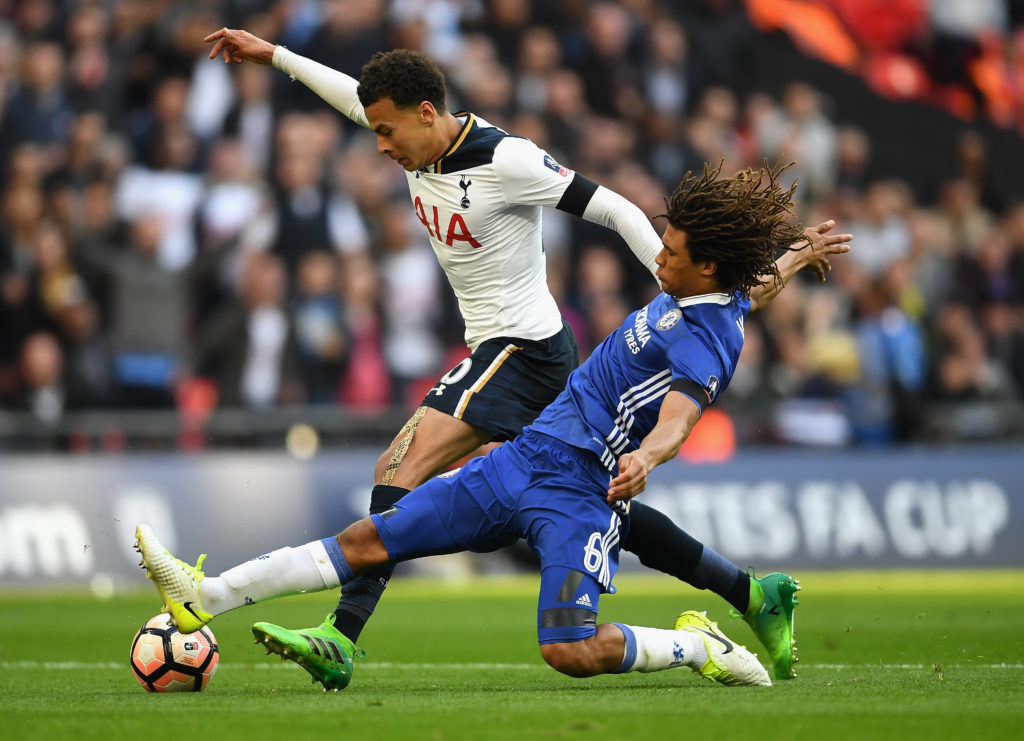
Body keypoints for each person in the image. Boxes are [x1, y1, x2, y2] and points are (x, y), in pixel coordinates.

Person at [201, 28, 846, 685]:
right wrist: (275, 56)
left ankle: (341, 633)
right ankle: (749, 593)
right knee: (595, 494)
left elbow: (618, 210)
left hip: (523, 347)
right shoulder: (412, 141)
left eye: (386, 131)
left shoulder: (507, 161)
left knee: (400, 461)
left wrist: (664, 284)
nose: (379, 145)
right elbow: (355, 100)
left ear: (426, 115)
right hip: (525, 378)